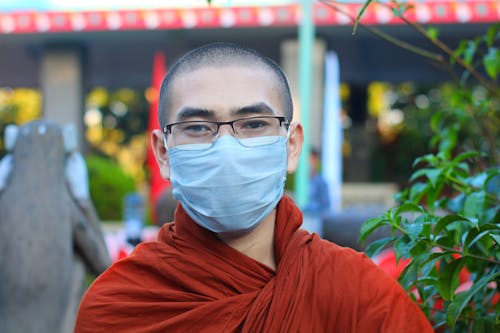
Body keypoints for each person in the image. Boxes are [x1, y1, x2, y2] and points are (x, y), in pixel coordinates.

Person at [74, 42, 433, 332]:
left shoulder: (356, 291)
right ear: (163, 153)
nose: (226, 148)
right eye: (198, 127)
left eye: (254, 124)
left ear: (292, 146)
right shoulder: (120, 306)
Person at [301, 147, 330, 236]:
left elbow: (326, 204)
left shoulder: (321, 182)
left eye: (312, 160)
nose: (310, 163)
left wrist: (311, 208)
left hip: (314, 222)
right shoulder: (300, 182)